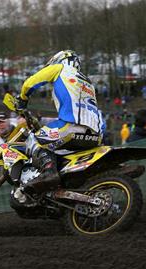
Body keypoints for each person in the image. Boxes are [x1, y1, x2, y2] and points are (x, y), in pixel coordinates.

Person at [16, 50, 106, 196]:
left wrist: (22, 98)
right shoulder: (89, 83)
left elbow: (32, 82)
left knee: (34, 139)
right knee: (57, 148)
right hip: (95, 134)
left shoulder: (61, 68)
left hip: (71, 127)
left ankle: (49, 172)